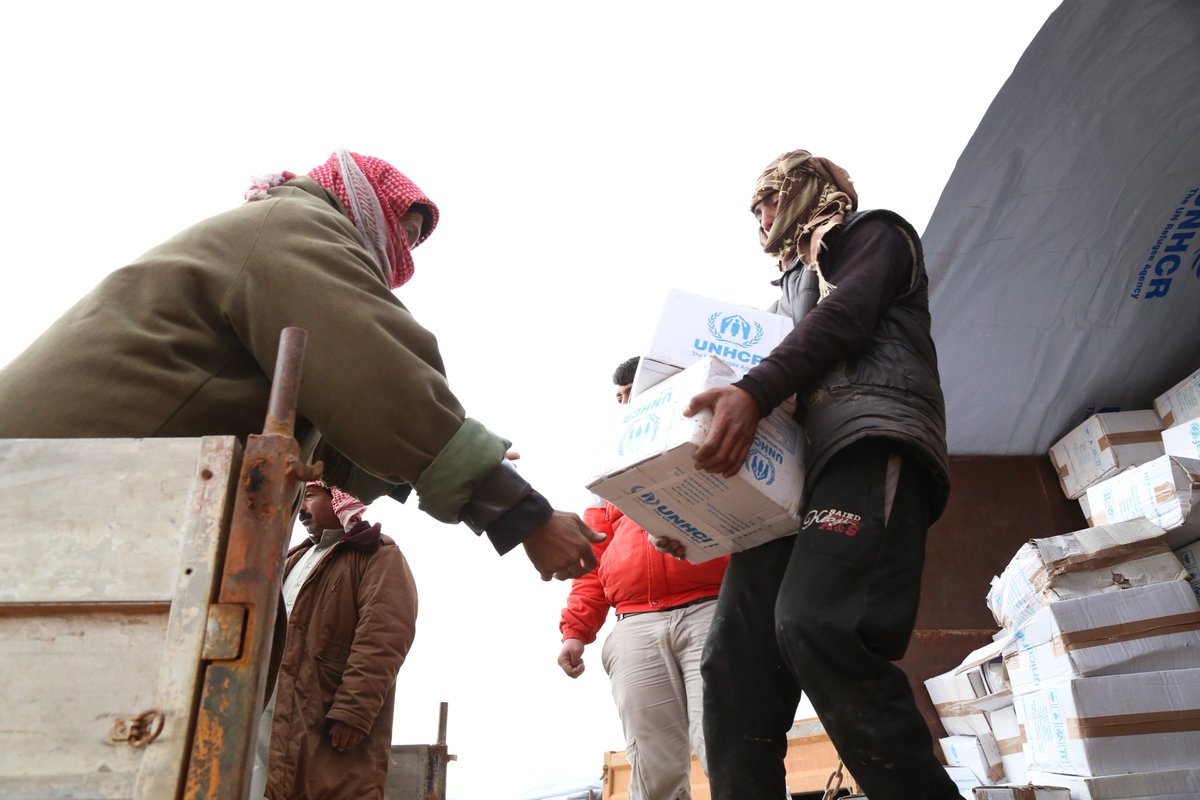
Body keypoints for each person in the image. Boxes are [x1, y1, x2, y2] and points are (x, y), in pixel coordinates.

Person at [0, 149, 601, 581]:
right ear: (357, 199)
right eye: (404, 228)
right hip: (53, 497)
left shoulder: (276, 232)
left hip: (69, 495)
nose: (404, 250)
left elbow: (334, 420)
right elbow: (372, 383)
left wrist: (442, 459)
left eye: (416, 242)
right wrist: (521, 513)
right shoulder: (292, 227)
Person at [679, 150, 959, 800]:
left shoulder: (875, 237)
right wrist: (692, 515)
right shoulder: (781, 297)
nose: (761, 218)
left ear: (809, 190)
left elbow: (847, 317)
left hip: (866, 444)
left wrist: (752, 389)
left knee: (816, 621)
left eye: (769, 199)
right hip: (792, 483)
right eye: (753, 209)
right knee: (732, 664)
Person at [557, 357, 728, 800]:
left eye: (632, 391)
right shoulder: (609, 467)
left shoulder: (706, 434)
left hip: (712, 609)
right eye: (618, 398)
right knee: (652, 768)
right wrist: (576, 630)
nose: (625, 403)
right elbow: (592, 556)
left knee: (726, 746)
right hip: (633, 624)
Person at [249, 481, 416, 800]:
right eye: (299, 498)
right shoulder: (290, 560)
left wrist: (353, 710)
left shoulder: (377, 554)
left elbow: (384, 637)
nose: (300, 508)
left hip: (325, 718)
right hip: (267, 713)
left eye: (309, 496)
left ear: (340, 497)